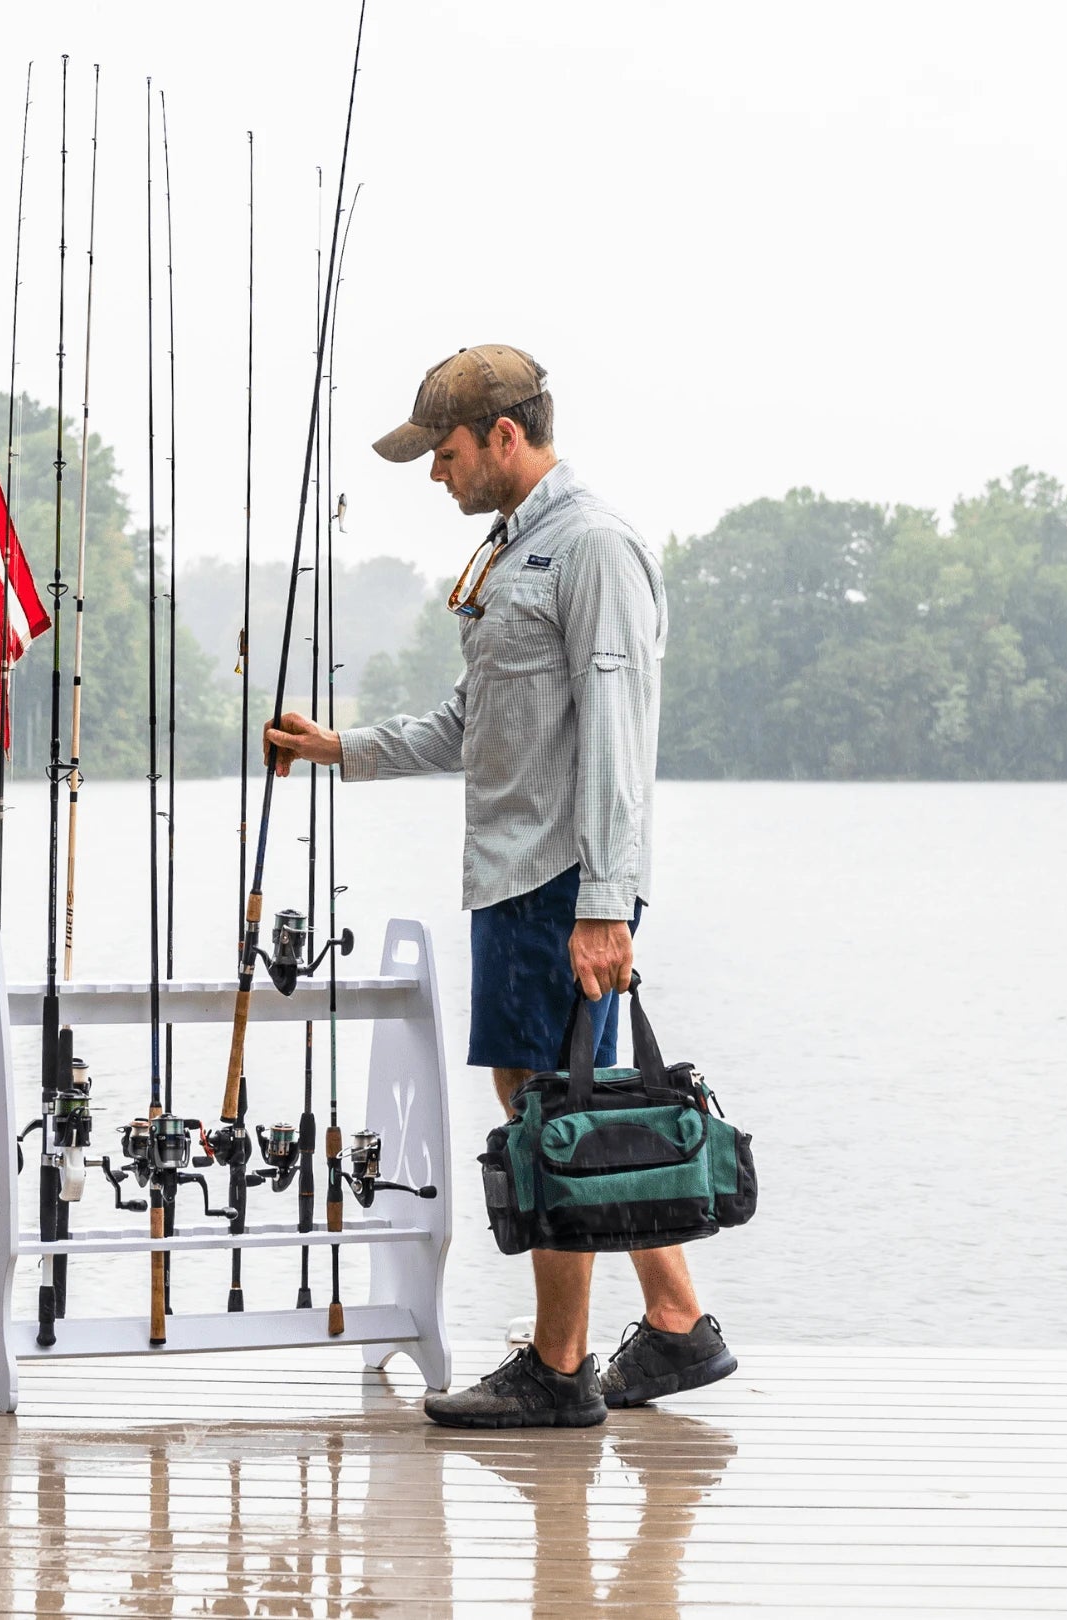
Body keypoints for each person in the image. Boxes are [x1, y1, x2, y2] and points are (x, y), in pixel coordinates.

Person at [265, 344, 735, 1428]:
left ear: (505, 439)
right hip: (512, 876)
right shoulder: (507, 554)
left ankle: (560, 1368)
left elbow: (620, 739)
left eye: (445, 451)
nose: (436, 473)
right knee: (557, 1107)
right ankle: (675, 1326)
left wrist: (608, 903)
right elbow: (474, 728)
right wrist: (341, 748)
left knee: (550, 1108)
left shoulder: (594, 549)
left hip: (562, 879)